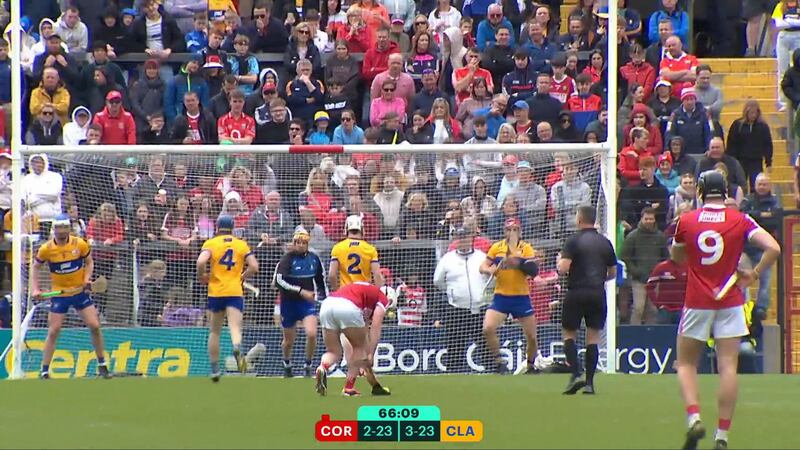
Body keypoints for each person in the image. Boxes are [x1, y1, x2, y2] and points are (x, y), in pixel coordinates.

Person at [672, 170, 781, 450]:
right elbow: (774, 248)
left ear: (700, 191)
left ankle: (694, 417)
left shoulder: (687, 220)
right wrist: (754, 274)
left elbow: (676, 255)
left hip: (697, 300)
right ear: (727, 192)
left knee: (685, 363)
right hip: (730, 298)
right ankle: (722, 436)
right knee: (728, 367)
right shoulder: (740, 219)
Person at [31, 214, 111, 379]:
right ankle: (44, 370)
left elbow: (89, 262)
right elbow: (35, 267)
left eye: (64, 227)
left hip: (79, 292)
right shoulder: (46, 249)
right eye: (58, 228)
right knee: (54, 330)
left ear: (68, 228)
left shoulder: (79, 244)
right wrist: (36, 289)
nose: (61, 231)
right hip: (60, 295)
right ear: (54, 229)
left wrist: (86, 279)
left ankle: (102, 364)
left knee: (95, 325)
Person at [556, 205, 616, 394]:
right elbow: (612, 272)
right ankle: (589, 383)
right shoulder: (605, 242)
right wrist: (597, 279)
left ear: (580, 219)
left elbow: (563, 268)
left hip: (576, 292)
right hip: (597, 293)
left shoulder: (573, 241)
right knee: (593, 337)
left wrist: (559, 261)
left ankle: (576, 371)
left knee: (568, 333)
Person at [196, 215, 259, 382]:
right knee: (235, 327)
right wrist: (243, 276)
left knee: (215, 332)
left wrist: (202, 275)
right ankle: (237, 347)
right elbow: (254, 266)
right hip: (234, 290)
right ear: (233, 227)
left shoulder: (211, 243)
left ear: (217, 227)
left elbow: (201, 261)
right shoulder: (241, 244)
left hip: (216, 291)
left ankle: (215, 370)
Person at [479, 217, 539, 374]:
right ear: (504, 231)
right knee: (488, 328)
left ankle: (531, 365)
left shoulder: (526, 248)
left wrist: (518, 263)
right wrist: (489, 270)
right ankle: (499, 362)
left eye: (515, 230)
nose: (511, 233)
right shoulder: (497, 247)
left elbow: (533, 269)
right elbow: (483, 265)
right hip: (502, 296)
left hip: (521, 297)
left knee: (532, 336)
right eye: (509, 229)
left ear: (519, 232)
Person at [315, 281, 393, 396]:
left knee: (333, 351)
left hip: (327, 304)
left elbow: (364, 327)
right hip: (348, 307)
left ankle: (322, 367)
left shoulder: (366, 292)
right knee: (359, 349)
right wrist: (370, 354)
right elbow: (375, 327)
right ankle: (348, 388)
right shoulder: (383, 299)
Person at [433, 227, 489, 372]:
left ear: (471, 238)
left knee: (486, 345)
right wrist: (453, 292)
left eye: (466, 236)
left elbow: (491, 278)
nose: (463, 240)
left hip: (479, 309)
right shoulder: (448, 258)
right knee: (454, 348)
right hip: (456, 310)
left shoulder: (481, 257)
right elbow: (438, 281)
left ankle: (492, 373)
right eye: (460, 237)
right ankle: (452, 377)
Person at [274, 230, 328, 378]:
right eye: (298, 242)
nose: (300, 245)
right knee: (288, 341)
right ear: (294, 243)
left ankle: (308, 366)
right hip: (288, 304)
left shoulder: (314, 259)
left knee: (311, 334)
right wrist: (301, 291)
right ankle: (287, 363)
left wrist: (324, 297)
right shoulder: (287, 259)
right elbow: (279, 282)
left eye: (304, 243)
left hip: (306, 304)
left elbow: (319, 280)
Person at [329, 215, 384, 291]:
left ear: (346, 229)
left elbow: (332, 274)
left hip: (346, 291)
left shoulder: (337, 248)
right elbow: (377, 275)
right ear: (362, 229)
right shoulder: (370, 249)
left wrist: (336, 290)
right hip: (364, 291)